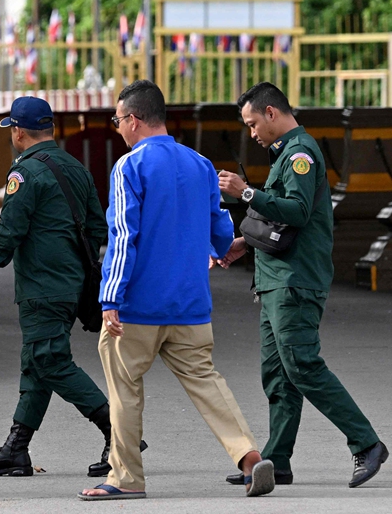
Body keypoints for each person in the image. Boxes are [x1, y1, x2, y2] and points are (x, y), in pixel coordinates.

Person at [79, 81, 274, 501]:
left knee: (125, 389)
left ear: (132, 119)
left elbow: (123, 236)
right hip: (190, 305)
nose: (118, 129)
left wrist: (110, 297)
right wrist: (224, 250)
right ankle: (249, 457)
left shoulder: (129, 168)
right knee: (206, 382)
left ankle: (125, 478)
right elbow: (219, 225)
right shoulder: (200, 164)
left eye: (118, 121)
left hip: (137, 308)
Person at [214, 81, 388, 489]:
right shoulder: (285, 155)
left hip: (295, 281)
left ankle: (367, 443)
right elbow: (280, 227)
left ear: (271, 113)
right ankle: (276, 462)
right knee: (277, 374)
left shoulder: (300, 153)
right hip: (276, 279)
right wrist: (245, 244)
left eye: (253, 123)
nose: (252, 133)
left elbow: (296, 211)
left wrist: (247, 193)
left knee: (302, 365)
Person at [0, 96, 136, 479]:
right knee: (36, 364)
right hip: (69, 285)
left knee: (50, 361)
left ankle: (118, 431)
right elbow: (97, 225)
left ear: (19, 132)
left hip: (41, 286)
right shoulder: (74, 168)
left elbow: (9, 229)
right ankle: (17, 448)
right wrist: (77, 269)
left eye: (12, 129)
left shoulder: (24, 174)